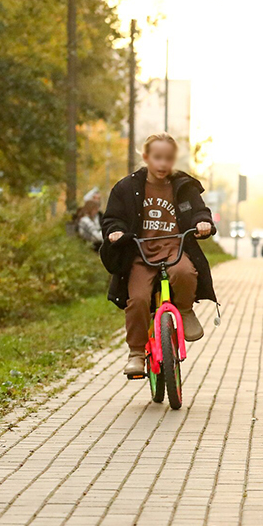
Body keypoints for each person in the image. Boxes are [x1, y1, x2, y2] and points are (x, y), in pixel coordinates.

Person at [100, 133, 218, 378]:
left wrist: (203, 223)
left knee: (185, 272)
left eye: (168, 159)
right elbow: (113, 218)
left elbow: (198, 211)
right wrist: (115, 232)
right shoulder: (127, 187)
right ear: (146, 157)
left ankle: (184, 310)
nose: (163, 164)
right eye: (157, 158)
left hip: (174, 248)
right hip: (140, 252)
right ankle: (136, 352)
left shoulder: (183, 186)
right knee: (139, 299)